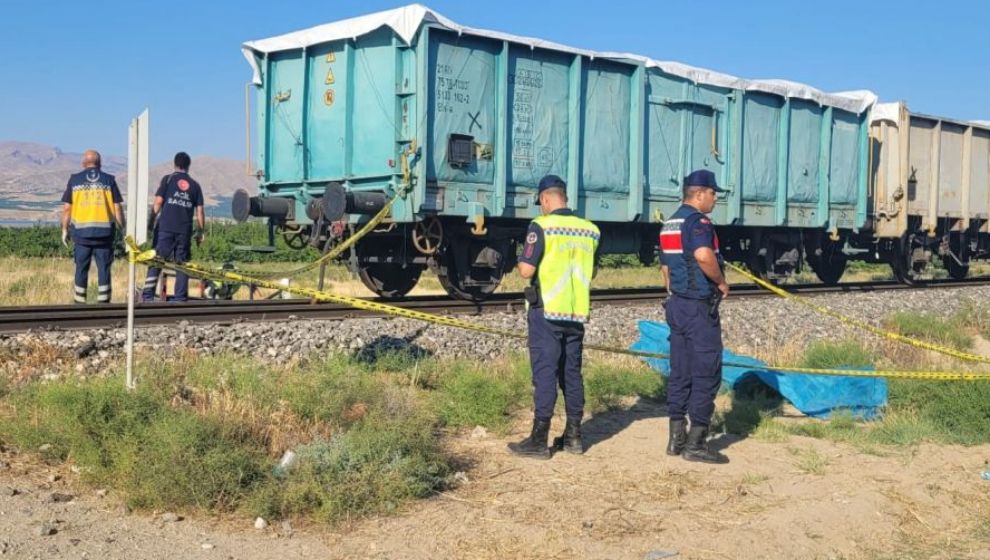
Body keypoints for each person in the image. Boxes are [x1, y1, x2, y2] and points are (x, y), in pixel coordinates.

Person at [508, 174, 600, 459]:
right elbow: (593, 271)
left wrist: (521, 259)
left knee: (545, 373)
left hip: (546, 311)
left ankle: (538, 440)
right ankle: (574, 437)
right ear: (565, 197)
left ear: (545, 199)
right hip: (575, 313)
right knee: (571, 373)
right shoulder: (590, 230)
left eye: (540, 203)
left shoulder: (542, 226)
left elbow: (526, 270)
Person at [659, 169, 730, 464]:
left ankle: (676, 438)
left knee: (680, 372)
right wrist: (721, 282)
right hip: (699, 307)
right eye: (714, 193)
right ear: (699, 193)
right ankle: (696, 443)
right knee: (706, 372)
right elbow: (703, 255)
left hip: (677, 304)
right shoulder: (698, 222)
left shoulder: (669, 223)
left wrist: (675, 292)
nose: (715, 199)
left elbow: (665, 269)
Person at [61, 150, 125, 304]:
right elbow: (117, 208)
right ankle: (103, 305)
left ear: (84, 163)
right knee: (104, 270)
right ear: (100, 163)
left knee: (81, 269)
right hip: (104, 235)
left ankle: (79, 304)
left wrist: (64, 229)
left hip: (81, 235)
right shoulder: (109, 180)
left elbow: (67, 209)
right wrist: (123, 229)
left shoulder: (74, 180)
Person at [141, 152, 205, 302]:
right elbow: (200, 211)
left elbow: (157, 203)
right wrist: (201, 232)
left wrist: (150, 222)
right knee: (182, 264)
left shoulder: (168, 179)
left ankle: (148, 296)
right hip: (184, 230)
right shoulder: (195, 185)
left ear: (175, 164)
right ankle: (180, 298)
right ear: (189, 166)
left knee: (156, 260)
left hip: (165, 228)